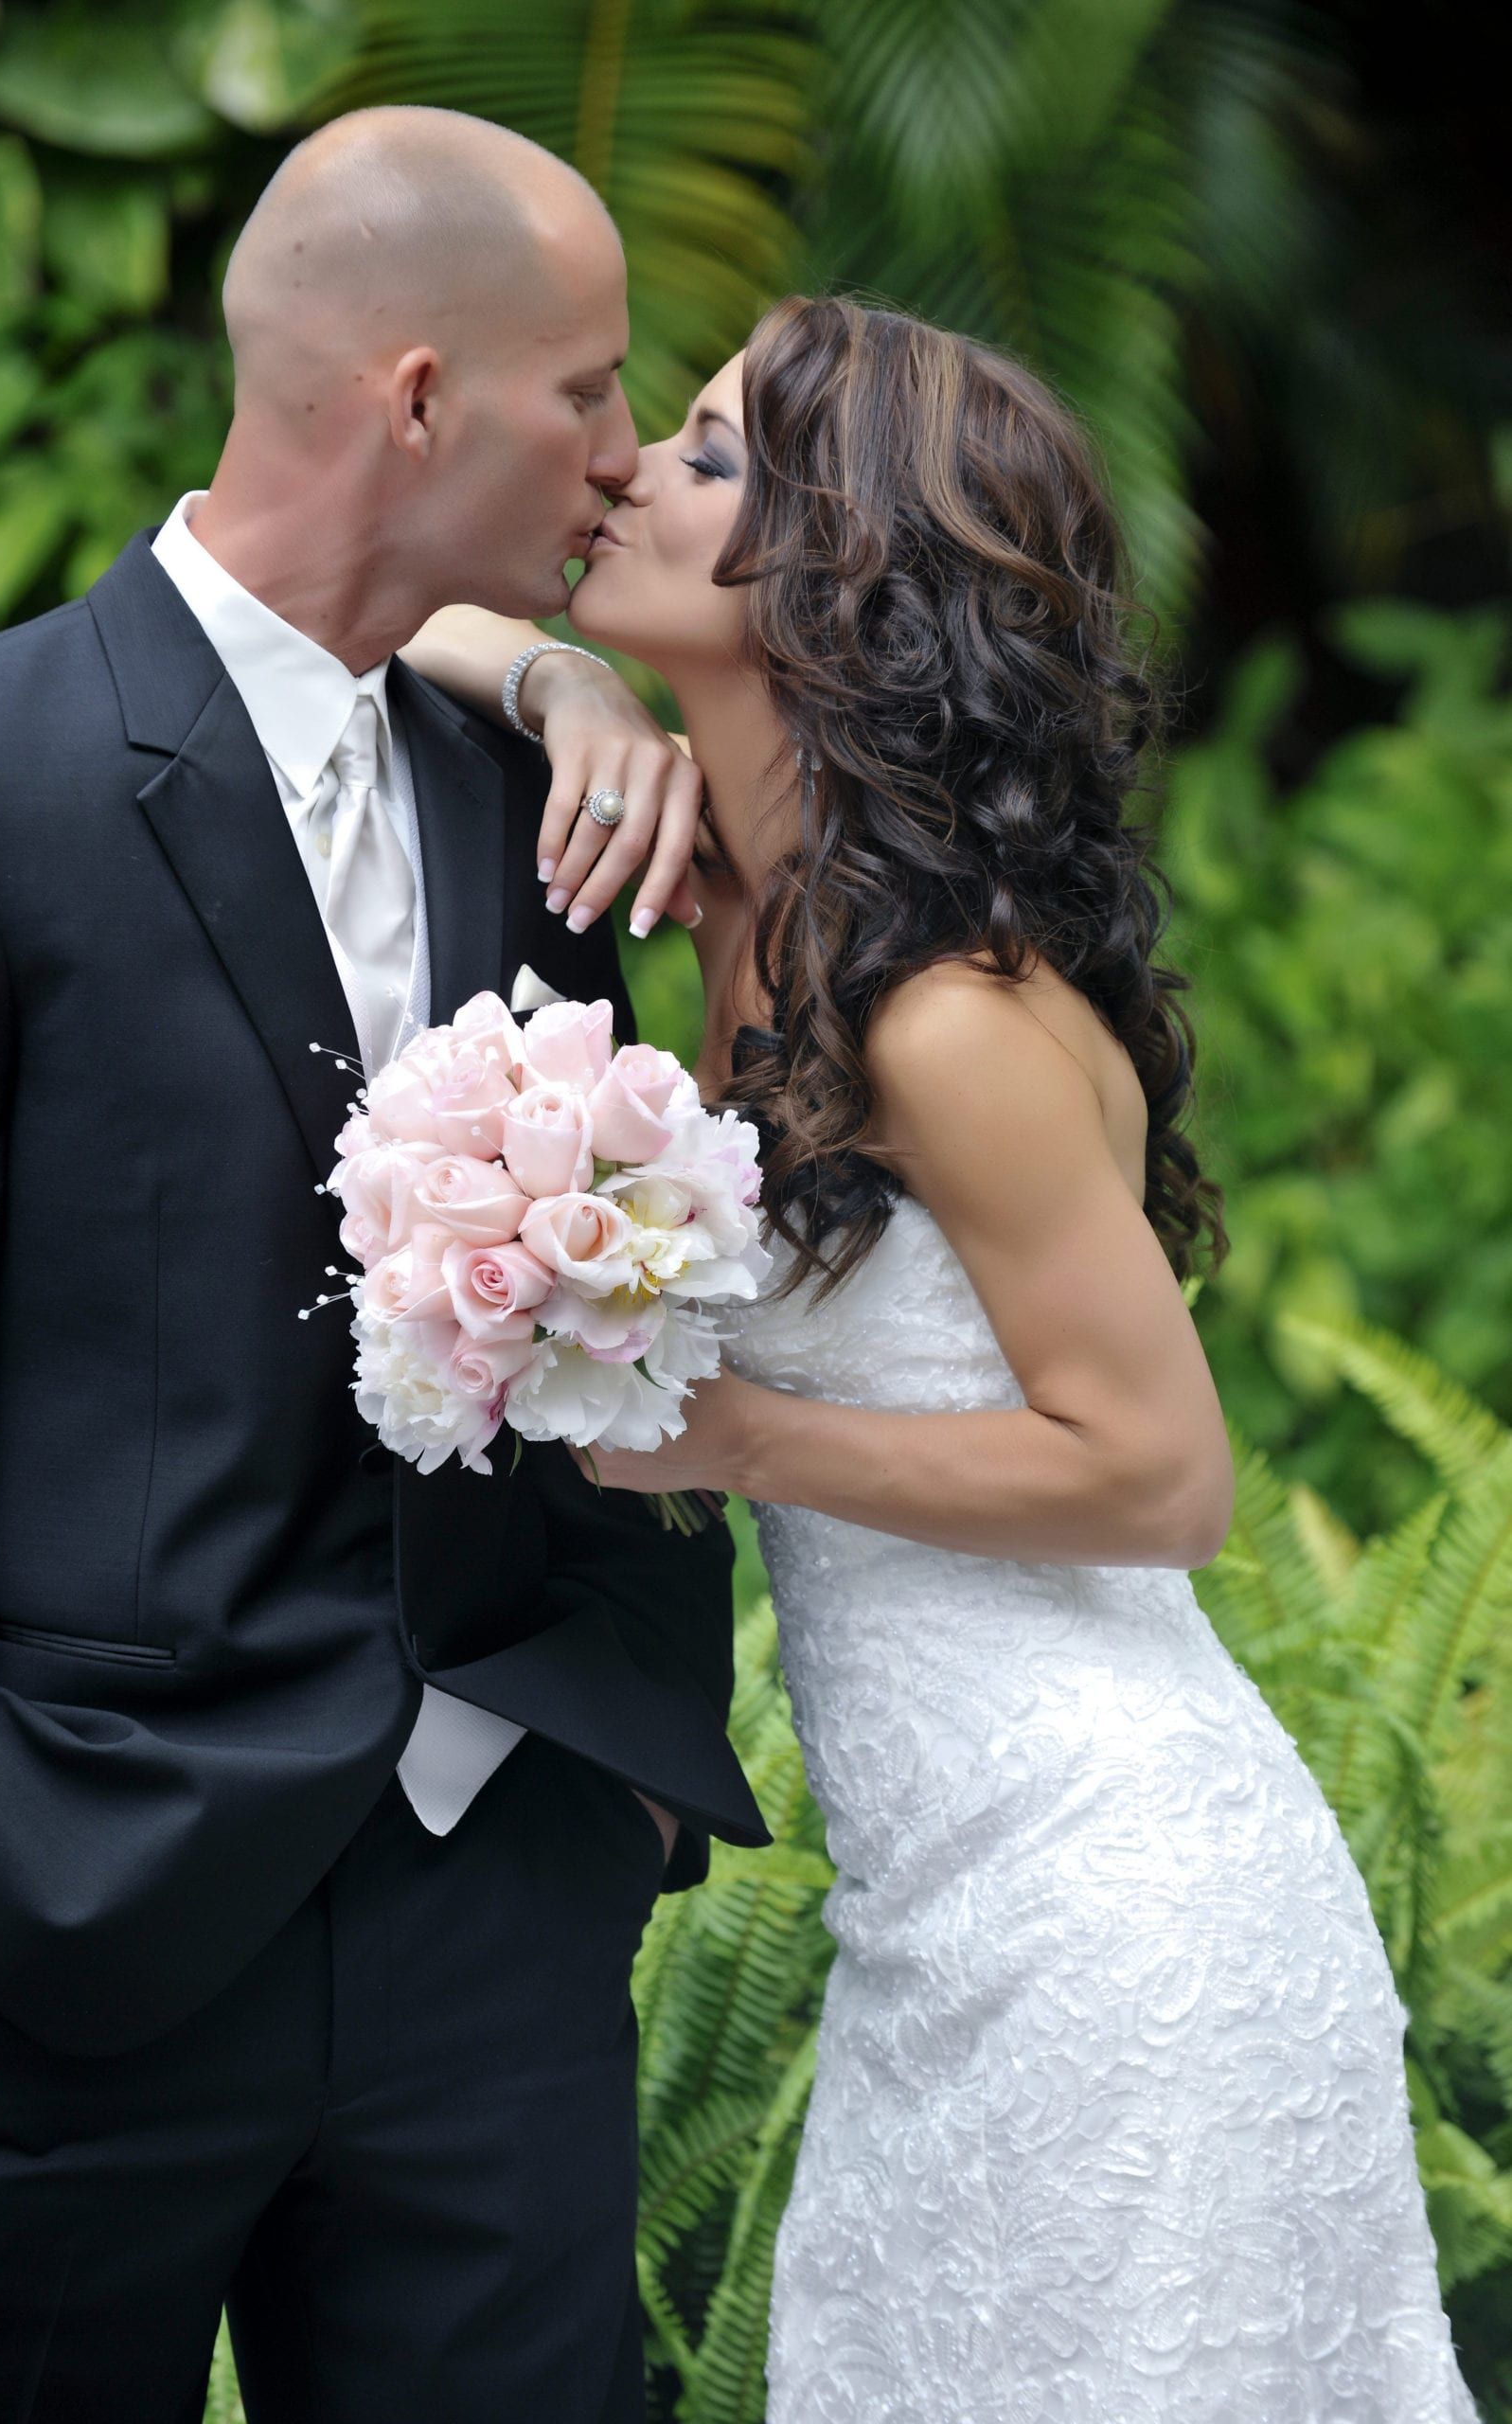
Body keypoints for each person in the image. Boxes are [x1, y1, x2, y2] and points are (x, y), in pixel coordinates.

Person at [406, 294, 1479, 2418]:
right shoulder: (735, 909)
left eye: (703, 456)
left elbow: (1165, 1475)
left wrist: (729, 1434)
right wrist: (567, 681)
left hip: (1116, 1907)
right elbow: (410, 609)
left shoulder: (946, 1015)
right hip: (936, 1932)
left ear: (838, 583)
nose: (622, 469)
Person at [0, 106, 770, 2424]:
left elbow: (642, 1281)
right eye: (586, 394)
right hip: (69, 1918)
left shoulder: (542, 790)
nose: (617, 451)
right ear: (414, 400)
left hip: (493, 1903)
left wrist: (634, 1748)